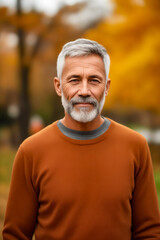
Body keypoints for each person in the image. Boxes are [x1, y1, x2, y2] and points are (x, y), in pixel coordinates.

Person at [3, 38, 160, 240]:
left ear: (107, 87)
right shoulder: (31, 151)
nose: (84, 91)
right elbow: (15, 235)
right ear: (59, 86)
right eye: (74, 80)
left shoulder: (135, 146)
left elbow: (149, 232)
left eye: (94, 80)